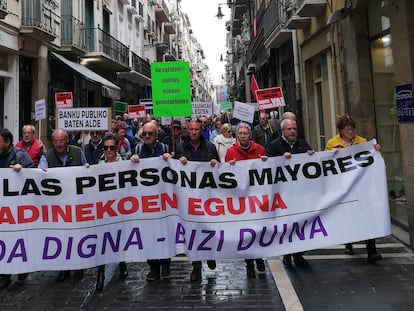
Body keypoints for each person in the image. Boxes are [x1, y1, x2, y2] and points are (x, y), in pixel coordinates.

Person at [325, 114, 382, 263]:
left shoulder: (362, 142)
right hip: (344, 188)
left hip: (361, 186)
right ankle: (349, 242)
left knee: (367, 217)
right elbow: (324, 164)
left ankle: (372, 251)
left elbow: (372, 158)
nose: (350, 132)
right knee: (349, 216)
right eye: (346, 129)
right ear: (340, 130)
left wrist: (375, 149)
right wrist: (329, 155)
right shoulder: (332, 144)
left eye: (352, 128)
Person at [38, 129, 88, 282]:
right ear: (52, 142)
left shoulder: (78, 152)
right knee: (61, 236)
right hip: (58, 205)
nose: (59, 144)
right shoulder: (47, 157)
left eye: (61, 141)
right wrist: (40, 172)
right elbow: (39, 172)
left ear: (67, 140)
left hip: (75, 201)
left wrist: (87, 168)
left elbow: (86, 168)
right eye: (55, 141)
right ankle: (63, 267)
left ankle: (79, 265)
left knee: (77, 235)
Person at [174, 118, 219, 282]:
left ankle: (210, 254)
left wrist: (215, 164)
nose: (193, 132)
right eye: (191, 129)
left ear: (201, 130)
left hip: (207, 196)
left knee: (207, 229)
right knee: (193, 232)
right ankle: (196, 267)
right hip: (188, 198)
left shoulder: (210, 147)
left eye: (196, 130)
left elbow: (220, 171)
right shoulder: (180, 147)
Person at [266, 118, 315, 268]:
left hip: (300, 193)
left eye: (294, 128)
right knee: (287, 225)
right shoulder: (274, 146)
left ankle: (298, 254)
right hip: (283, 194)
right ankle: (288, 254)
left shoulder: (302, 143)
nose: (293, 131)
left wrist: (311, 155)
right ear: (282, 131)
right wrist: (280, 160)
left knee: (300, 224)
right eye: (289, 129)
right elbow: (266, 165)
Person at [130, 122, 172, 281]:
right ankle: (153, 267)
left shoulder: (165, 148)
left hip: (164, 198)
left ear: (156, 135)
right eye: (144, 134)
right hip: (145, 200)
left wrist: (170, 160)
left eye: (150, 134)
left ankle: (166, 263)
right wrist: (132, 159)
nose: (146, 137)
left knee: (164, 232)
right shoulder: (138, 150)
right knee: (149, 234)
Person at [225, 123, 268, 278]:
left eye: (245, 133)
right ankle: (249, 262)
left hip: (256, 197)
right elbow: (226, 175)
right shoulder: (231, 152)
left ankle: (259, 257)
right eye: (240, 133)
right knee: (245, 232)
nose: (242, 136)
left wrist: (265, 162)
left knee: (258, 230)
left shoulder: (259, 150)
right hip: (241, 198)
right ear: (237, 136)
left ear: (250, 135)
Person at [0, 128, 34, 290]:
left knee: (18, 238)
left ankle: (21, 267)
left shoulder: (21, 155)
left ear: (7, 142)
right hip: (2, 208)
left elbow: (33, 178)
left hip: (18, 207)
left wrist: (23, 171)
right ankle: (4, 274)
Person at [95, 133, 128, 291]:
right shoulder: (98, 164)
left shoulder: (125, 163)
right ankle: (100, 275)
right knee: (102, 241)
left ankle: (122, 263)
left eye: (111, 147)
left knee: (118, 239)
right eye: (105, 147)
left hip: (120, 208)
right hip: (103, 208)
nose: (108, 150)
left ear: (117, 148)